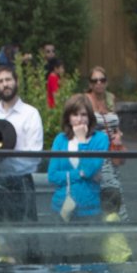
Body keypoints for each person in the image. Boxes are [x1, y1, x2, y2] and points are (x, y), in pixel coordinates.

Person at [0, 62, 43, 222]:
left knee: (25, 237)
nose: (5, 84)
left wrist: (4, 159)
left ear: (16, 82)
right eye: (0, 81)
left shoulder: (31, 114)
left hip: (21, 183)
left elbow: (34, 158)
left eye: (8, 79)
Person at [47, 93, 108, 222]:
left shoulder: (100, 139)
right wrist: (79, 174)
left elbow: (88, 170)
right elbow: (52, 176)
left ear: (90, 117)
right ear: (68, 118)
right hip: (61, 207)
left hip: (89, 209)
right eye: (75, 115)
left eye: (83, 115)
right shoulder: (60, 139)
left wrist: (82, 141)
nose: (79, 119)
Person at [84, 64, 125, 212]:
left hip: (112, 153)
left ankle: (116, 228)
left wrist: (118, 136)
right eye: (95, 81)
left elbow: (115, 124)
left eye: (102, 80)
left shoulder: (110, 98)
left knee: (115, 191)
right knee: (100, 193)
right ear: (90, 84)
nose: (99, 83)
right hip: (96, 153)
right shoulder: (85, 100)